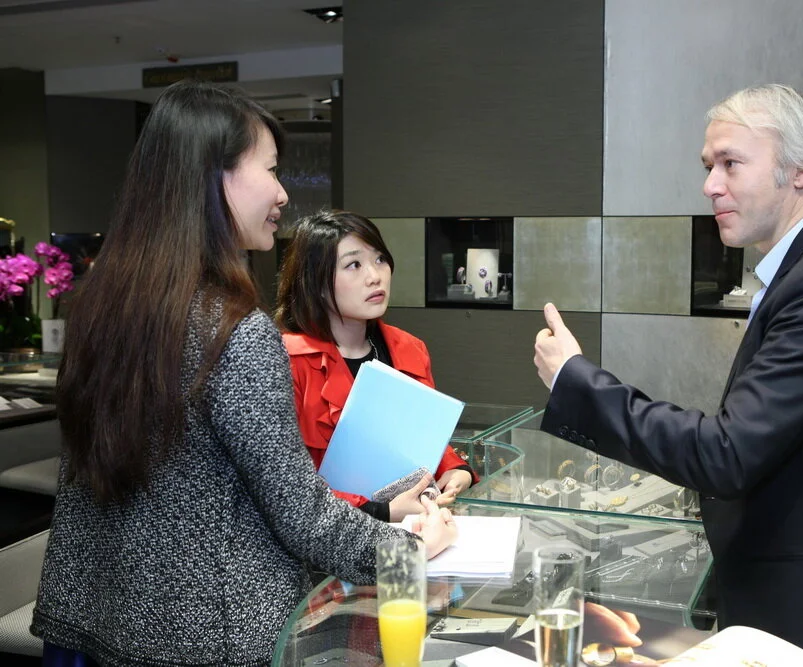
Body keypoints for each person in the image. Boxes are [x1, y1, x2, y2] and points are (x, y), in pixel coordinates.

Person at [30, 80, 456, 667]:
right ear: (214, 176)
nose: (282, 193)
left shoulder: (100, 306)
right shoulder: (233, 331)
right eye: (271, 169)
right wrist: (408, 549)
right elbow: (301, 515)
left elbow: (180, 480)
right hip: (213, 636)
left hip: (103, 620)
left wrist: (380, 506)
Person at [532, 84, 803, 666]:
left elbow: (729, 452)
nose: (710, 185)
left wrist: (575, 381)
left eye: (730, 163)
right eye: (708, 166)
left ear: (802, 169)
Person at [274, 210, 477, 522]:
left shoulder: (409, 349)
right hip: (327, 538)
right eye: (354, 265)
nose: (375, 276)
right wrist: (382, 512)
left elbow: (421, 439)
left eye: (380, 259)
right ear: (316, 280)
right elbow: (284, 486)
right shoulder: (288, 360)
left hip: (410, 527)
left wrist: (455, 469)